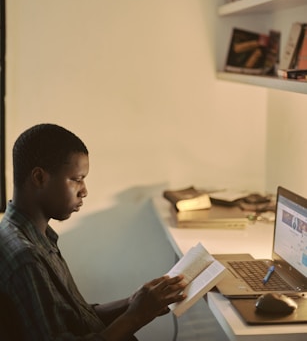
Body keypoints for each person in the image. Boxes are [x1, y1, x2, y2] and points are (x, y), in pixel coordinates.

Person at [0, 123, 187, 341]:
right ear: (39, 178)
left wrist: (133, 302)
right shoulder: (27, 259)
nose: (84, 191)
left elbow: (76, 318)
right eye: (76, 179)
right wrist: (136, 316)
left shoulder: (36, 236)